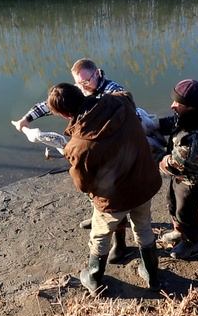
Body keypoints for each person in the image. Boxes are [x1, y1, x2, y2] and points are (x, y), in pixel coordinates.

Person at [11, 58, 131, 264]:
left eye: (86, 82)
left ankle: (120, 243)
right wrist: (26, 119)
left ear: (97, 74)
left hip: (114, 153)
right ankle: (97, 216)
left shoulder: (113, 92)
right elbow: (53, 103)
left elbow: (128, 116)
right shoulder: (81, 90)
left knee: (114, 198)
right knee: (94, 190)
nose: (82, 87)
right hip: (90, 150)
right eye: (78, 83)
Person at [46, 83, 162, 293]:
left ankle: (93, 277)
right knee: (144, 227)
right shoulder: (121, 102)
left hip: (114, 200)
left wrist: (73, 164)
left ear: (63, 114)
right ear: (81, 93)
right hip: (144, 183)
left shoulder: (78, 145)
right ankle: (152, 274)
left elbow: (82, 185)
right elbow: (127, 93)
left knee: (100, 236)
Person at [157, 79, 198, 259]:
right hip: (187, 169)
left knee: (186, 211)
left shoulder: (196, 136)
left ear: (192, 107)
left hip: (195, 177)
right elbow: (178, 121)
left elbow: (176, 166)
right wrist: (156, 124)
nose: (172, 105)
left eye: (178, 103)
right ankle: (179, 231)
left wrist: (156, 155)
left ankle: (192, 241)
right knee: (172, 199)